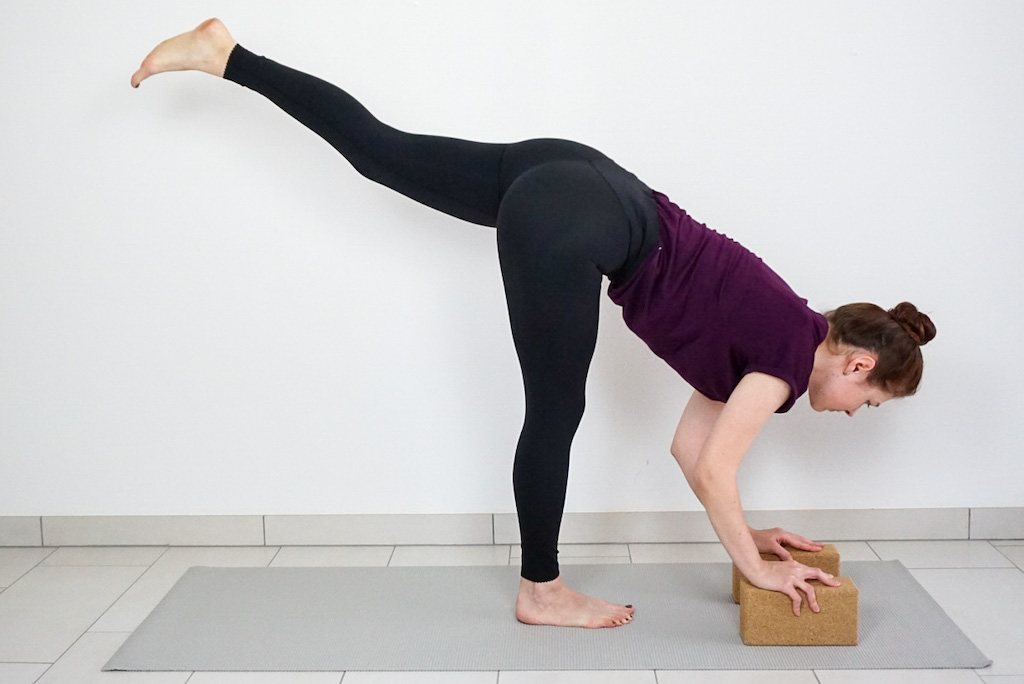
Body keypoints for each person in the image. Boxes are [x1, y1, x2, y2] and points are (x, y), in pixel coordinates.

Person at [130, 19, 936, 630]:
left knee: (380, 151)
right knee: (556, 412)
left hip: (577, 173)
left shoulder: (780, 325)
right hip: (579, 219)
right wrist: (754, 570)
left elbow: (693, 454)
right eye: (870, 404)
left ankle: (226, 56)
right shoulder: (784, 366)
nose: (854, 415)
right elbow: (720, 469)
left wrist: (750, 535)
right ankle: (541, 590)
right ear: (859, 366)